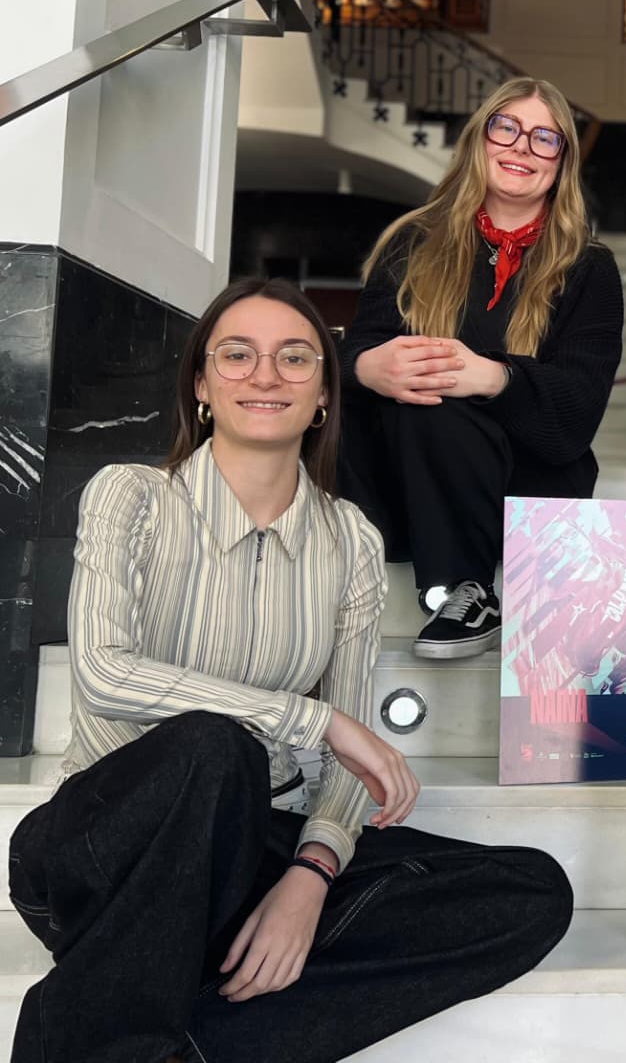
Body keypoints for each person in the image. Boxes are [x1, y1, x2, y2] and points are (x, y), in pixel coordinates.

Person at [8, 279, 574, 1063]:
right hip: (100, 851)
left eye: (295, 358)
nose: (266, 375)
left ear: (323, 396)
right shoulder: (131, 497)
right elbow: (104, 673)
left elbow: (346, 768)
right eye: (237, 355)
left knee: (529, 893)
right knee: (216, 747)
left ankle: (185, 1038)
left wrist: (310, 875)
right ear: (202, 386)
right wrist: (315, 720)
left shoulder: (349, 541)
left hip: (248, 855)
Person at [339, 76, 624, 660]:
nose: (522, 147)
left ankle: (465, 590)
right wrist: (369, 366)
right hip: (412, 478)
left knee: (439, 396)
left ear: (561, 163)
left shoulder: (589, 268)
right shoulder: (412, 242)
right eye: (506, 128)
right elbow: (355, 349)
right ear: (479, 139)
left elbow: (578, 410)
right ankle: (410, 577)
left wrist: (495, 378)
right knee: (396, 397)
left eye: (544, 138)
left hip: (528, 486)